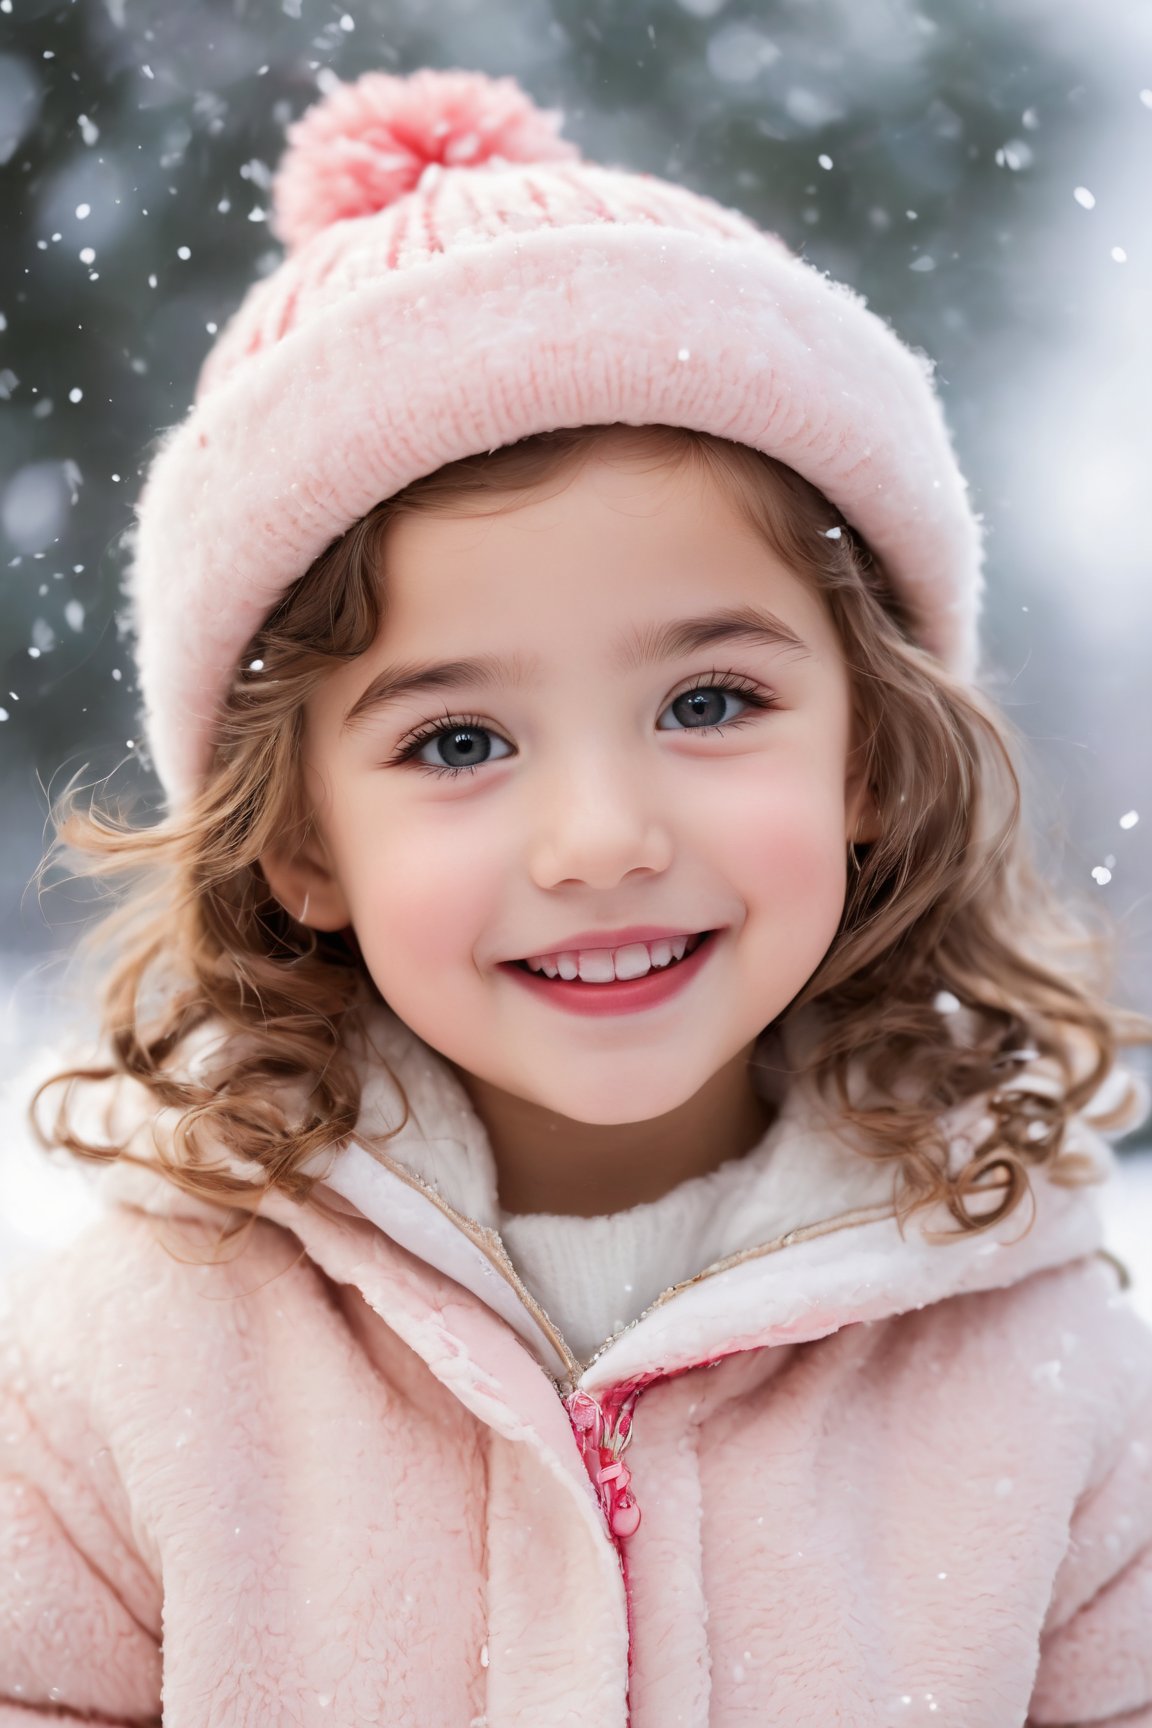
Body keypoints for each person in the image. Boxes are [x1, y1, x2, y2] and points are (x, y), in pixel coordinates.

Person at [6, 64, 1151, 1726]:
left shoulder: (1044, 1382)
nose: (599, 837)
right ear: (301, 846)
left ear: (870, 761)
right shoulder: (129, 1367)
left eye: (709, 704)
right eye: (459, 738)